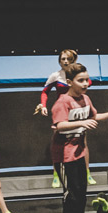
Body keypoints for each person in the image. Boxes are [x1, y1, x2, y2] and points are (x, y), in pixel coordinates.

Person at [50, 62, 108, 213]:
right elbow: (59, 125)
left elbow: (94, 116)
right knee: (71, 195)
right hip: (64, 155)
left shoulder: (85, 99)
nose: (85, 83)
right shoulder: (62, 102)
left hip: (79, 153)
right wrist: (81, 123)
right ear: (69, 82)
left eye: (86, 80)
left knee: (82, 193)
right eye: (80, 80)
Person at [35, 49, 97, 188]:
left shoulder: (79, 77)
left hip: (77, 110)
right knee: (58, 142)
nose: (65, 61)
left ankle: (87, 172)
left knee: (82, 141)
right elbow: (45, 92)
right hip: (62, 113)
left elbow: (88, 83)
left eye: (68, 59)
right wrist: (43, 105)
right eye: (62, 59)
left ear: (74, 60)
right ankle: (57, 174)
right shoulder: (55, 75)